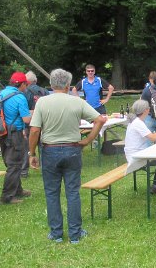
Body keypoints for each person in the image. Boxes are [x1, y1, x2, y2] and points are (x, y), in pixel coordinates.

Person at [28, 69, 106, 243]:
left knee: (51, 193)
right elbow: (100, 119)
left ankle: (56, 234)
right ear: (69, 85)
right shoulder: (76, 101)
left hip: (50, 150)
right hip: (72, 149)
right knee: (72, 192)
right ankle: (75, 234)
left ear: (51, 84)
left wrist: (31, 153)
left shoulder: (42, 102)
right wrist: (88, 140)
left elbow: (34, 130)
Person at [124, 99, 156, 196]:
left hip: (135, 154)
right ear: (145, 111)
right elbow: (153, 138)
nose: (149, 109)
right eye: (148, 108)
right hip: (136, 158)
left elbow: (151, 137)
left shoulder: (135, 121)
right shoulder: (138, 123)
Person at [0, 71, 32, 205]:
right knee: (14, 164)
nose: (26, 87)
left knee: (11, 162)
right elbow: (26, 118)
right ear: (22, 84)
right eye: (26, 84)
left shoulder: (1, 93)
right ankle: (7, 196)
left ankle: (18, 190)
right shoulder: (20, 97)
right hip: (15, 134)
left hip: (2, 133)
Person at [21, 71, 48, 178]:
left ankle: (23, 172)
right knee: (43, 147)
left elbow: (23, 111)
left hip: (29, 124)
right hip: (43, 123)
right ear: (35, 81)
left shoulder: (24, 92)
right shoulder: (44, 91)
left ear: (27, 82)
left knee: (26, 148)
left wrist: (23, 128)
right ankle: (46, 170)